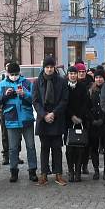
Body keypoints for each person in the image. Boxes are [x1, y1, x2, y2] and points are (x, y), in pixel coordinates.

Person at [0, 62, 38, 183]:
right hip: (11, 120)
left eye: (16, 74)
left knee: (31, 147)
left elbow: (34, 99)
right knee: (13, 148)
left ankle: (32, 171)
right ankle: (13, 171)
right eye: (12, 74)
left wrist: (25, 94)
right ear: (7, 74)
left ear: (19, 73)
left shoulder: (26, 83)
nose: (14, 76)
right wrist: (5, 95)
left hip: (26, 119)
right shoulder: (2, 84)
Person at [33, 57, 69, 186]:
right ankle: (43, 175)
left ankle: (58, 174)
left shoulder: (61, 82)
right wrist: (44, 115)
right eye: (47, 67)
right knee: (44, 148)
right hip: (43, 119)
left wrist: (54, 113)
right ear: (43, 68)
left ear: (54, 68)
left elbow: (65, 100)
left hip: (57, 118)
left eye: (51, 67)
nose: (49, 69)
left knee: (57, 148)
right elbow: (35, 101)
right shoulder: (37, 82)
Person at [64, 66, 91, 182]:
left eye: (75, 74)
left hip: (81, 120)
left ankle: (78, 171)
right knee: (70, 147)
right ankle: (71, 171)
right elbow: (64, 103)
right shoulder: (64, 87)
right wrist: (72, 116)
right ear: (68, 75)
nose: (73, 75)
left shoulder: (82, 87)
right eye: (71, 74)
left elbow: (86, 103)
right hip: (68, 120)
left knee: (80, 147)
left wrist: (79, 117)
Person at [87, 68, 105, 180]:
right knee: (93, 148)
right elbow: (86, 106)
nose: (98, 79)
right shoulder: (90, 91)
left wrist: (103, 119)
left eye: (100, 77)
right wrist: (92, 119)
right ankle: (96, 170)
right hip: (93, 124)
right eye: (97, 77)